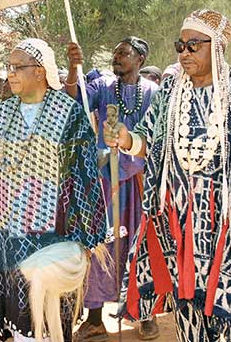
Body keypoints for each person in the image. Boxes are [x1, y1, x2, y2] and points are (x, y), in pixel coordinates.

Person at [107, 10, 231, 342]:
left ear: (218, 46)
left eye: (194, 45)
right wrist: (126, 140)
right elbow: (147, 142)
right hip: (181, 231)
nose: (184, 53)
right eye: (180, 45)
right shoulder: (169, 92)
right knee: (189, 318)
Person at [0, 38, 106, 342]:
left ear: (41, 72)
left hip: (53, 236)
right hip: (8, 236)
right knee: (18, 319)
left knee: (52, 320)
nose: (11, 73)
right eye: (9, 67)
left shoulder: (69, 113)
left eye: (18, 67)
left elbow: (86, 174)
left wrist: (88, 235)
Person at [64, 37, 160, 341]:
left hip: (141, 184)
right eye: (115, 52)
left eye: (124, 53)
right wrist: (72, 67)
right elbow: (73, 99)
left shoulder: (155, 93)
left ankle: (146, 315)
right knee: (101, 248)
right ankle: (95, 319)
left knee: (142, 246)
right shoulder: (103, 87)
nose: (116, 57)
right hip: (104, 183)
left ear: (140, 59)